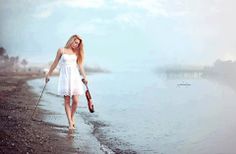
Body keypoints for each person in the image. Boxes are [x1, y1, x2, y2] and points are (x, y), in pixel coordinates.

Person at [45, 34, 88, 130]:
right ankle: (70, 122)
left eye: (78, 44)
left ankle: (72, 118)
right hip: (65, 77)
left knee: (76, 101)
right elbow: (55, 63)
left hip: (75, 77)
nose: (76, 45)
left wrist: (85, 77)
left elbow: (80, 66)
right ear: (71, 40)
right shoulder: (61, 50)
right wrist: (48, 74)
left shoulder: (76, 52)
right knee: (67, 100)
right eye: (75, 42)